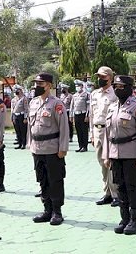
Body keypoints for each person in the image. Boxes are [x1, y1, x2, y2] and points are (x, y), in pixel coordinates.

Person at [102, 75, 136, 235]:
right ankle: (124, 218)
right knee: (120, 186)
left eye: (121, 87)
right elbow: (108, 134)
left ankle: (135, 220)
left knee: (132, 187)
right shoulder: (112, 107)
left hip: (131, 153)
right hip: (115, 154)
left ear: (129, 88)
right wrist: (107, 155)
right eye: (115, 86)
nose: (117, 89)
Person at [28, 72, 69, 226]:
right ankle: (47, 210)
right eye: (36, 84)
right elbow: (30, 127)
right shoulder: (33, 103)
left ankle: (57, 212)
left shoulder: (56, 104)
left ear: (49, 86)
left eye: (40, 84)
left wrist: (62, 147)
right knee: (42, 180)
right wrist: (29, 144)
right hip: (37, 149)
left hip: (52, 148)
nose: (37, 87)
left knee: (55, 180)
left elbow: (64, 127)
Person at [89, 66, 119, 207]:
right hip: (97, 130)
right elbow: (91, 115)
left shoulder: (114, 94)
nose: (100, 79)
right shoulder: (94, 94)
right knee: (102, 163)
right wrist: (92, 134)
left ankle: (115, 194)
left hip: (109, 131)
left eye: (103, 77)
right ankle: (106, 192)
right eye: (99, 77)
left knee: (110, 163)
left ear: (110, 78)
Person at [70, 79, 90, 152]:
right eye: (76, 86)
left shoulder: (86, 94)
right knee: (78, 130)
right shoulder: (74, 95)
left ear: (82, 86)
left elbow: (88, 106)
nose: (77, 87)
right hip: (76, 114)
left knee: (84, 131)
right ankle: (80, 146)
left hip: (83, 114)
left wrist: (87, 115)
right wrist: (71, 116)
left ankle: (85, 146)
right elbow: (72, 106)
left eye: (78, 86)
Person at [11, 84, 28, 150]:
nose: (16, 91)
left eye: (17, 90)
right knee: (17, 131)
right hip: (15, 116)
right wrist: (12, 117)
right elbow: (12, 109)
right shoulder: (13, 99)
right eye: (15, 90)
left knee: (23, 131)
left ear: (20, 90)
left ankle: (24, 144)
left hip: (22, 116)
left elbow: (26, 109)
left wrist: (25, 118)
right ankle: (19, 143)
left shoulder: (24, 99)